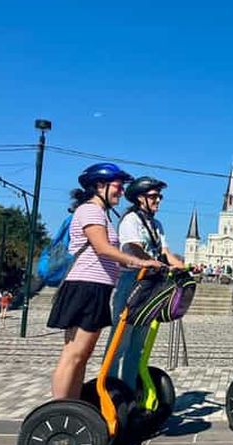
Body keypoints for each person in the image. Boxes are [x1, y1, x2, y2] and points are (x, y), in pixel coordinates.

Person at [47, 164, 162, 400]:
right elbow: (102, 248)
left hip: (98, 288)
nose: (121, 192)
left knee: (83, 355)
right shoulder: (90, 211)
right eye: (118, 187)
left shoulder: (102, 214)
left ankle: (75, 406)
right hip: (83, 286)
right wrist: (140, 262)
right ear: (100, 186)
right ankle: (59, 409)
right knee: (73, 354)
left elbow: (110, 255)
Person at [107, 176, 184, 390]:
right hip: (131, 281)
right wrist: (150, 262)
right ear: (140, 198)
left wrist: (185, 267)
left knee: (138, 345)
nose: (158, 200)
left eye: (160, 196)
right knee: (120, 341)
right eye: (153, 196)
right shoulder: (131, 219)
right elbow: (132, 247)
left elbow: (166, 253)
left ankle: (129, 390)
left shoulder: (156, 224)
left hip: (150, 284)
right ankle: (111, 387)